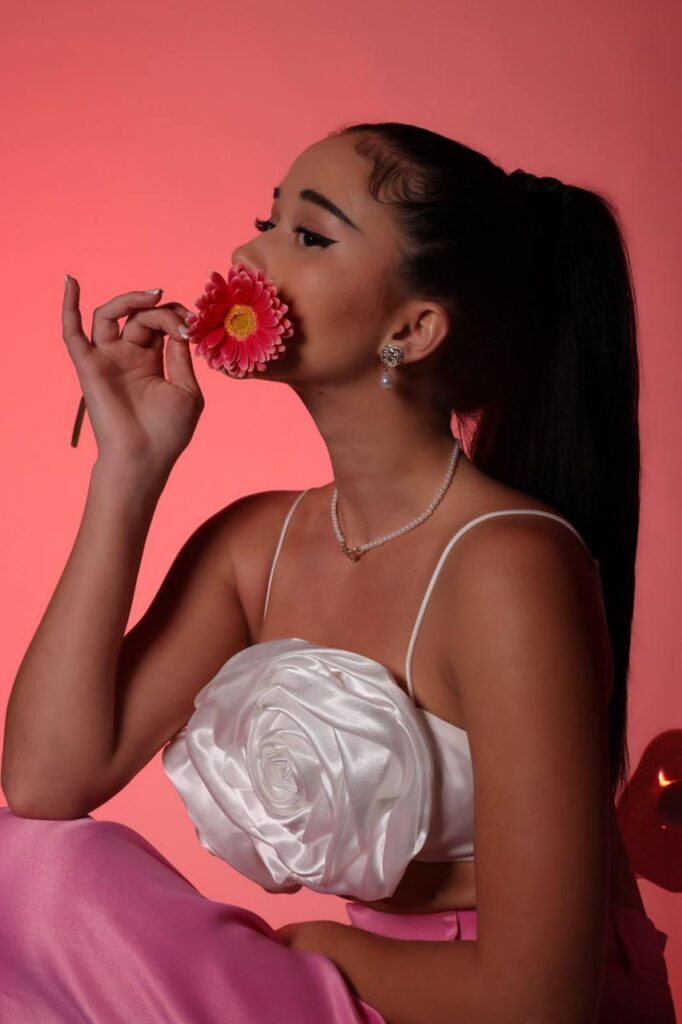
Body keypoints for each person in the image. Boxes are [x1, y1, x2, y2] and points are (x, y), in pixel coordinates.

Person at [0, 122, 675, 1023]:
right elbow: (43, 788)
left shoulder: (509, 569)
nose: (250, 255)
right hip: (352, 996)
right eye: (265, 223)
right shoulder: (255, 546)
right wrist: (127, 469)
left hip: (500, 1007)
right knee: (29, 874)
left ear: (413, 328)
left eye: (309, 236)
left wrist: (317, 952)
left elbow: (539, 1001)